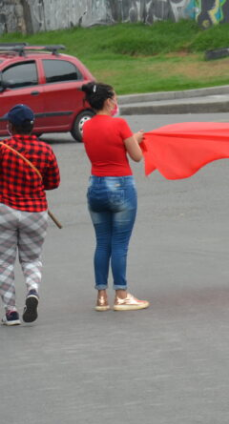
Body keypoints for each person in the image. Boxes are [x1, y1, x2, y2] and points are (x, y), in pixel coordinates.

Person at [80, 82, 150, 311]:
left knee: (102, 243)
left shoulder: (87, 127)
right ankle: (121, 295)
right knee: (119, 243)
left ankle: (101, 296)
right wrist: (134, 138)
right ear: (108, 101)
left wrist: (128, 139)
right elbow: (137, 156)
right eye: (115, 98)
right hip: (120, 185)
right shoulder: (119, 124)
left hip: (95, 186)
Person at [0, 104, 60, 325]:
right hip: (36, 213)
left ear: (11, 126)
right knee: (32, 259)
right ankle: (32, 291)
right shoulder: (45, 150)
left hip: (5, 210)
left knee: (4, 263)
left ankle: (11, 312)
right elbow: (53, 183)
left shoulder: (3, 149)